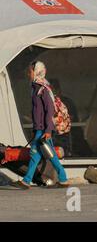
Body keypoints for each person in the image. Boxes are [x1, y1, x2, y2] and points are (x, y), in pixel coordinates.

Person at [11, 61, 69, 189]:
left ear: (37, 71)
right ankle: (27, 181)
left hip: (44, 129)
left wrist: (48, 130)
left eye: (30, 71)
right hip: (40, 128)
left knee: (46, 154)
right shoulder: (36, 88)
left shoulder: (43, 89)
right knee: (37, 154)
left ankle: (62, 178)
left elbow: (49, 111)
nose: (28, 74)